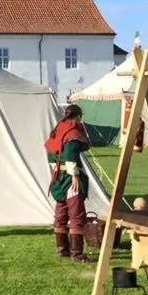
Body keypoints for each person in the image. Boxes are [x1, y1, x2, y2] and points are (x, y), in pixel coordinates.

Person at [45, 104, 91, 262]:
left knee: (61, 212)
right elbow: (71, 156)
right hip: (69, 179)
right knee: (76, 215)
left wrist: (58, 169)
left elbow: (50, 156)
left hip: (59, 178)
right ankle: (77, 253)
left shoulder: (58, 129)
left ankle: (62, 249)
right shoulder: (72, 132)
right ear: (78, 116)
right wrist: (75, 175)